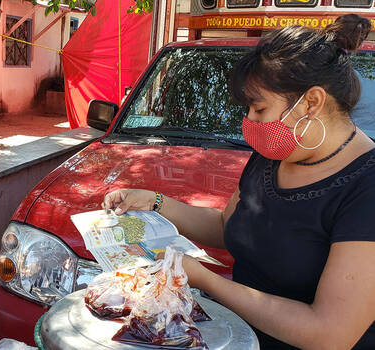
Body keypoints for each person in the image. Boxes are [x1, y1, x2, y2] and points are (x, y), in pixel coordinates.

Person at [103, 15, 375, 350]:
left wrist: (206, 280)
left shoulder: (366, 188)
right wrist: (155, 203)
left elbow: (331, 333)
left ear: (311, 102)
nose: (250, 122)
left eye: (258, 109)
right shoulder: (279, 151)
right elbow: (227, 225)